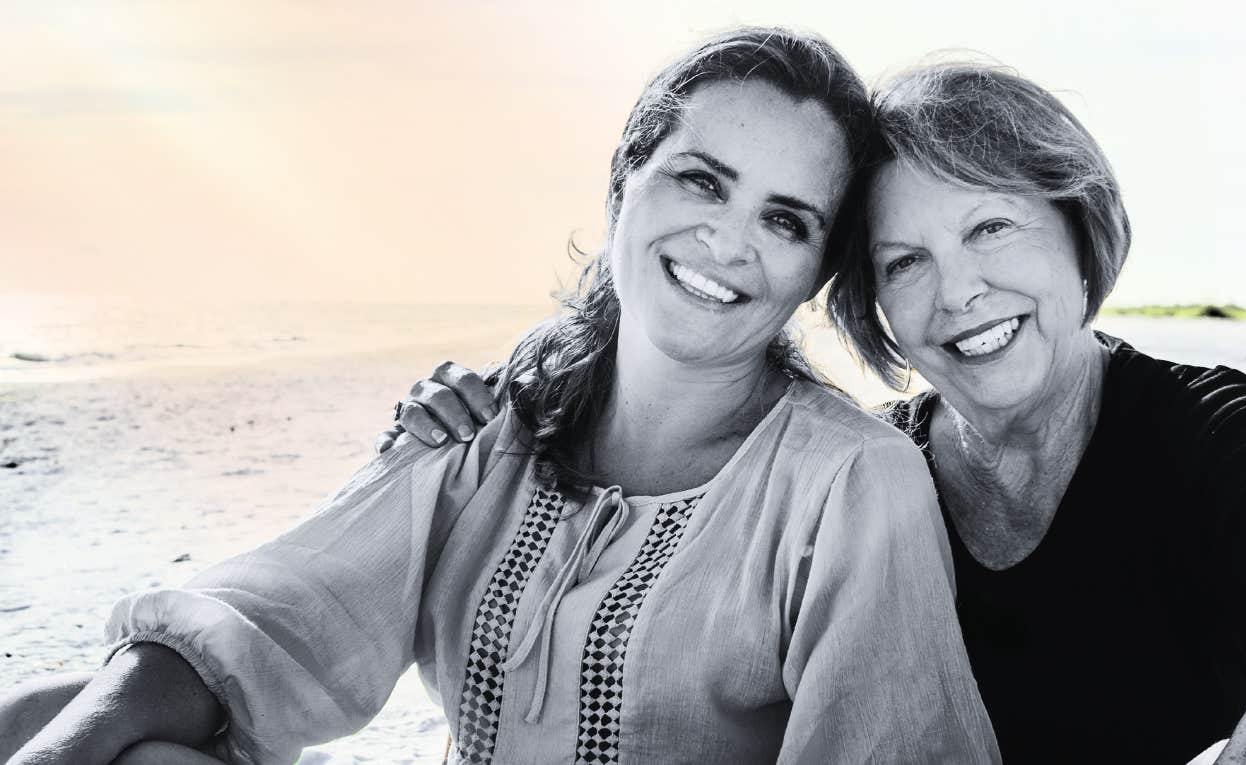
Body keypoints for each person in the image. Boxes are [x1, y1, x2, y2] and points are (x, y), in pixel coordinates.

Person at [0, 29, 1002, 765]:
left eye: (785, 220)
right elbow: (265, 625)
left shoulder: (849, 485)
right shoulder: (496, 420)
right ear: (625, 179)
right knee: (56, 718)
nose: (730, 242)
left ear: (815, 270)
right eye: (703, 182)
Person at [382, 64, 1246, 764]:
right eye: (904, 262)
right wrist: (500, 420)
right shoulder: (864, 478)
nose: (958, 293)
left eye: (990, 228)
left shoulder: (1213, 435)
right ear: (871, 302)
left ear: (1077, 230)